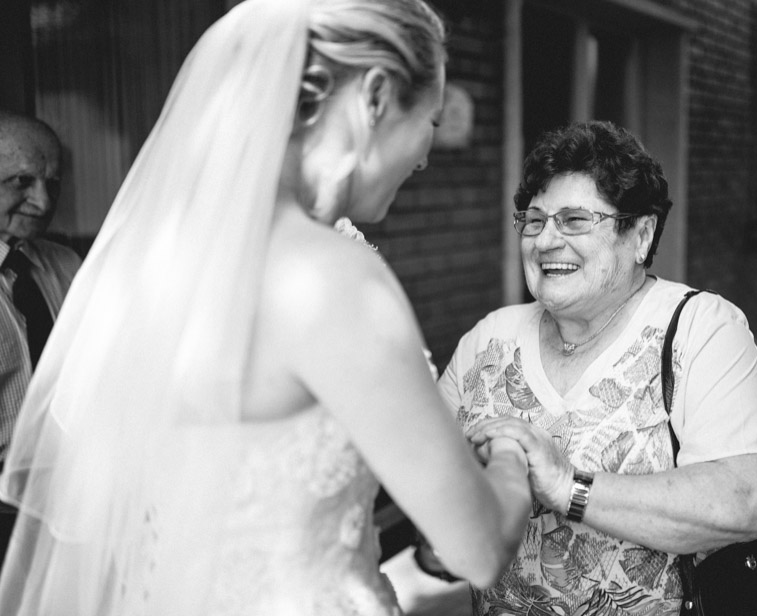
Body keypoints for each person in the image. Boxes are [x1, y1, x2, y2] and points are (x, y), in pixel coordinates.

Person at [0, 1, 532, 614]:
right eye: (431, 121)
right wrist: (515, 459)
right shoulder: (329, 277)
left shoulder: (150, 266)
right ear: (377, 96)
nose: (425, 156)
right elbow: (479, 549)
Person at [438, 121, 757, 614]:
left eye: (575, 220)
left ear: (641, 234)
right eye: (534, 220)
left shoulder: (701, 329)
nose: (545, 241)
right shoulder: (488, 339)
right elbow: (430, 479)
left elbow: (746, 501)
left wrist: (567, 486)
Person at [0, 111, 81, 566]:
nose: (42, 199)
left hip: (65, 503)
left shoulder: (66, 264)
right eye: (22, 181)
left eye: (53, 182)